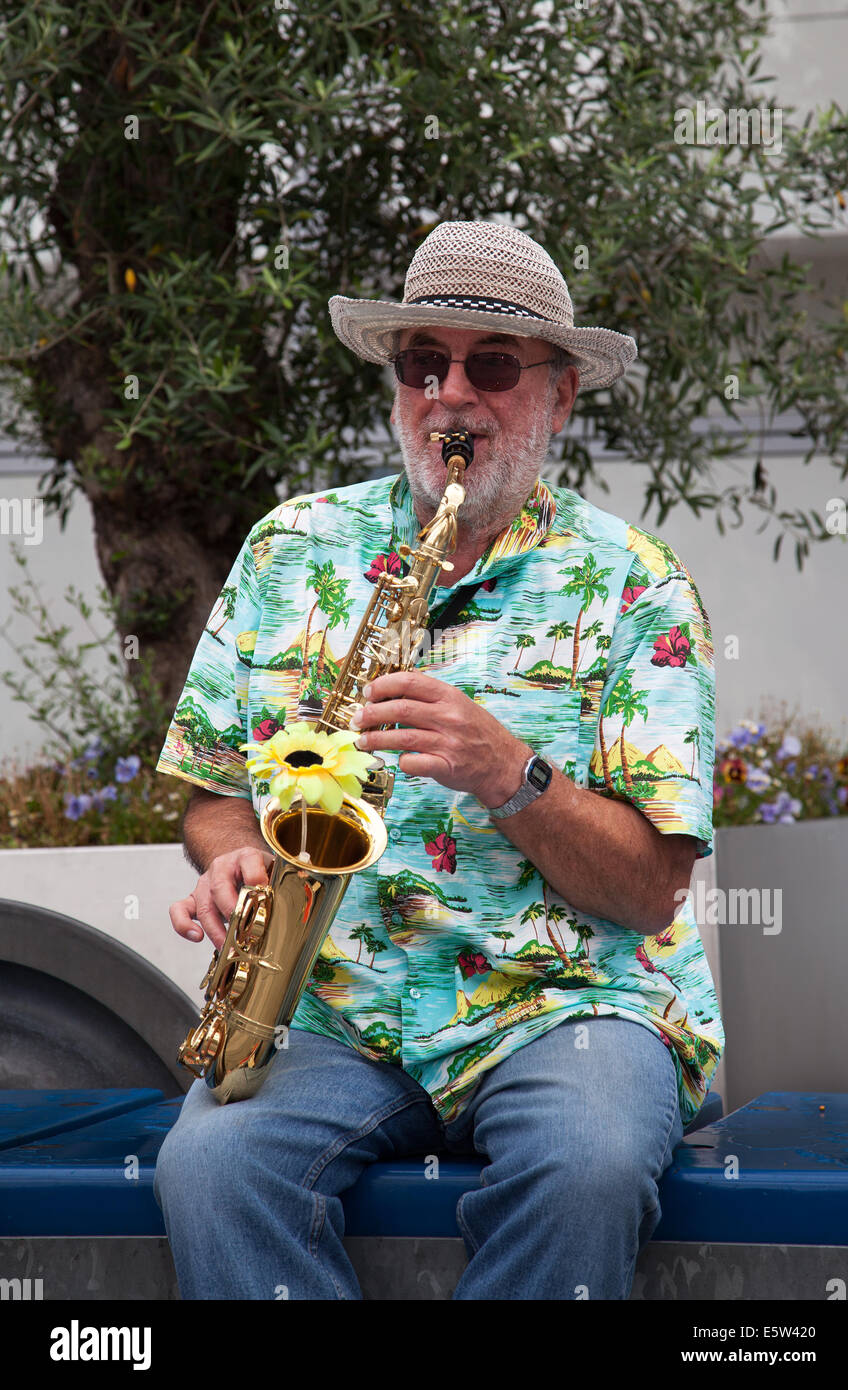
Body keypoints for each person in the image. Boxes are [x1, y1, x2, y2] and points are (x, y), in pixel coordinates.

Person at [153, 219, 723, 1301]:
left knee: (586, 1167)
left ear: (557, 394)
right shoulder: (288, 550)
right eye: (425, 361)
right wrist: (230, 857)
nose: (450, 395)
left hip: (568, 1002)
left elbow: (651, 887)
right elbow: (213, 794)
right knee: (208, 1167)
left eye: (492, 365)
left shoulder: (639, 585)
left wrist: (511, 774)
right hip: (330, 1006)